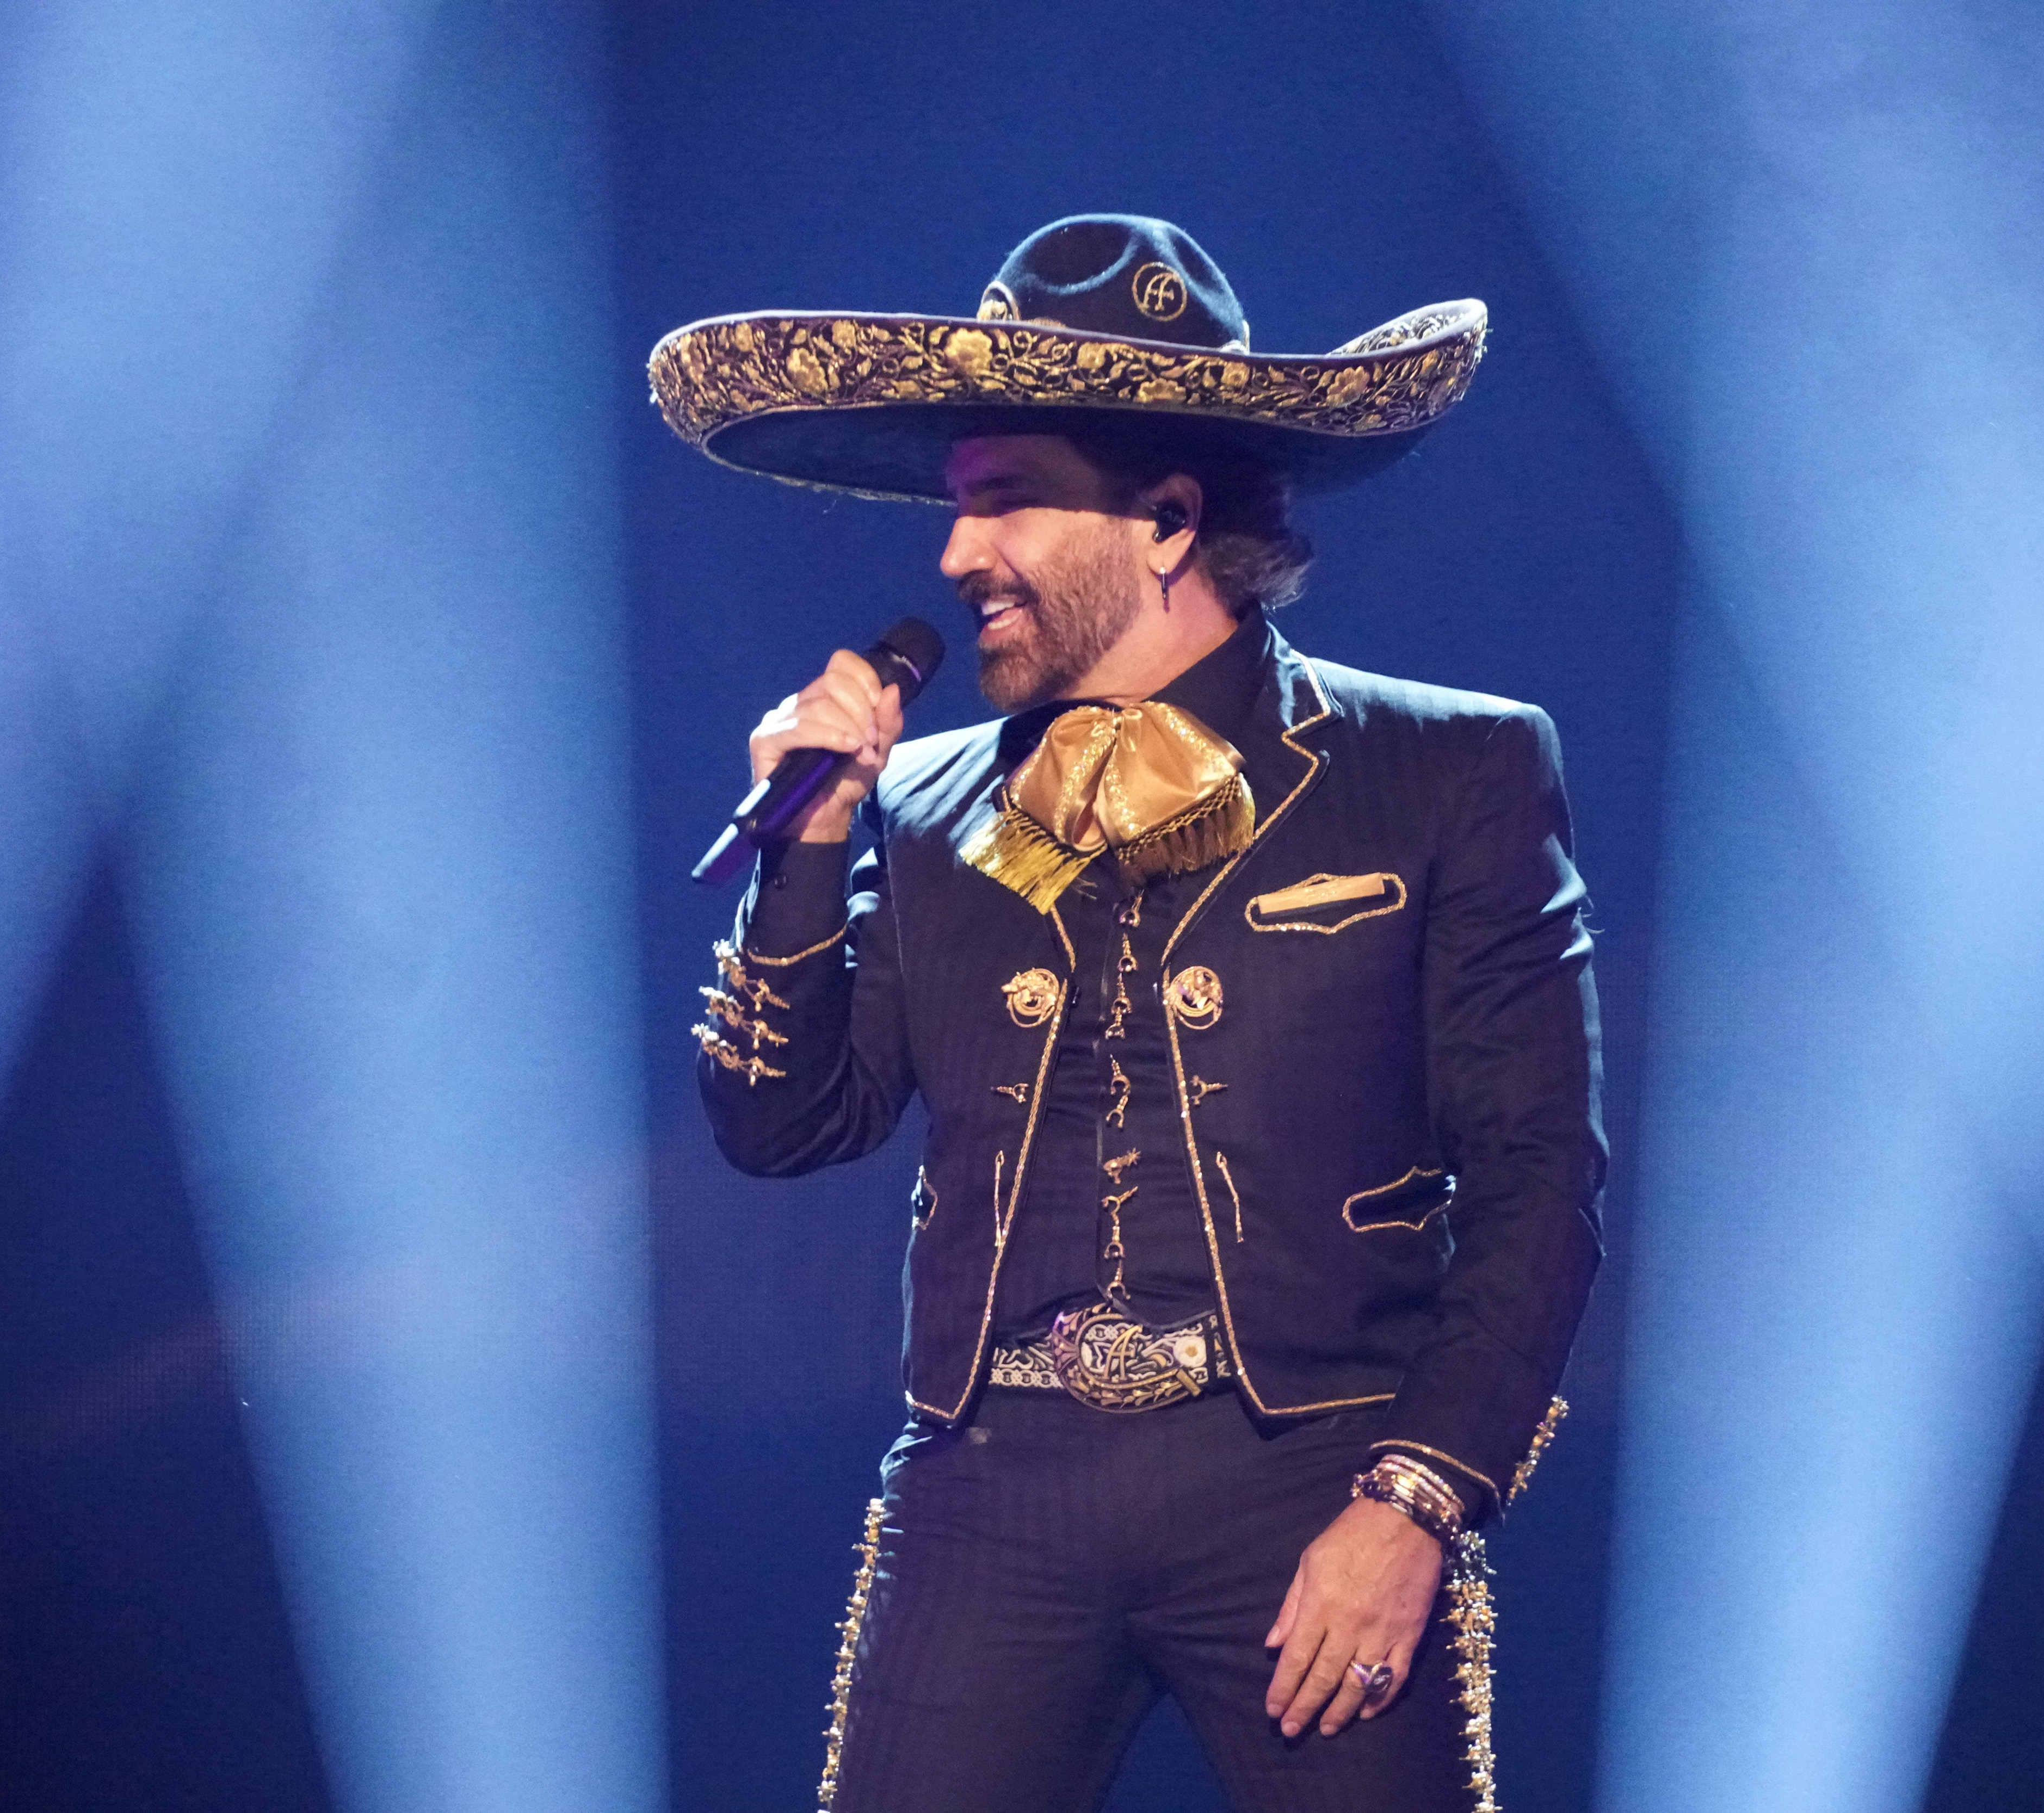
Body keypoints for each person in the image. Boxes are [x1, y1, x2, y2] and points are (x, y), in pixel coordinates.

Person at [653, 215, 1604, 1813]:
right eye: (959, 509)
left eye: (1002, 501)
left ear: (1166, 519)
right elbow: (781, 1124)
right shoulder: (927, 803)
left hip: (1314, 1472)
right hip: (995, 1484)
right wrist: (805, 857)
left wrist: (1417, 1504)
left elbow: (1534, 1184)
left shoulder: (1447, 768)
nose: (957, 561)